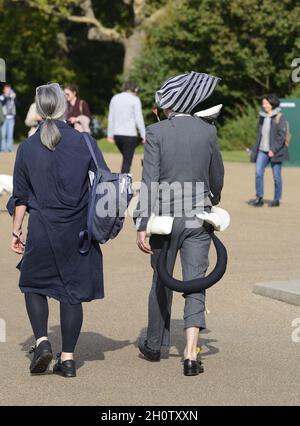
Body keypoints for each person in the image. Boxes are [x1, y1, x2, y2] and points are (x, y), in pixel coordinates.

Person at [7, 83, 109, 378]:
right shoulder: (84, 142)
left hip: (41, 228)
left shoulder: (26, 148)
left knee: (33, 285)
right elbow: (103, 183)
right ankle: (67, 359)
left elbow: (21, 196)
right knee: (71, 294)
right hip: (77, 230)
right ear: (64, 107)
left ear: (39, 110)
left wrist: (16, 232)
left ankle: (41, 342)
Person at [134, 72, 224, 376]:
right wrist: (213, 198)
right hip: (199, 216)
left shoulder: (156, 132)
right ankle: (189, 353)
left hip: (164, 220)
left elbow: (150, 182)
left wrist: (142, 223)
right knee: (195, 281)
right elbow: (216, 176)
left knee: (161, 279)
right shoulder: (207, 132)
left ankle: (154, 344)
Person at [250, 94, 288, 207]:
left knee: (276, 177)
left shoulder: (279, 117)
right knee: (258, 173)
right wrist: (254, 149)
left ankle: (276, 199)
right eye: (263, 103)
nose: (264, 105)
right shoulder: (262, 117)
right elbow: (259, 134)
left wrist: (273, 149)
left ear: (272, 103)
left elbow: (281, 136)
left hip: (275, 151)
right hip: (262, 150)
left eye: (266, 103)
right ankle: (259, 198)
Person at [107, 81, 146, 173]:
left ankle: (123, 182)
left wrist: (109, 134)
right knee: (127, 162)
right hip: (130, 135)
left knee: (126, 158)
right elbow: (139, 119)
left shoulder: (115, 98)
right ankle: (123, 185)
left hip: (117, 135)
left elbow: (111, 117)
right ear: (135, 90)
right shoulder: (135, 99)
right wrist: (144, 135)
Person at [0, 84, 16, 152]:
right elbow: (3, 102)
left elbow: (18, 104)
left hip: (11, 118)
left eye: (9, 89)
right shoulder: (1, 96)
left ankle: (9, 149)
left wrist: (14, 97)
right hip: (4, 118)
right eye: (7, 89)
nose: (8, 91)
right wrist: (7, 96)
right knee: (3, 135)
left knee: (10, 134)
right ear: (4, 90)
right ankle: (3, 149)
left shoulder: (12, 97)